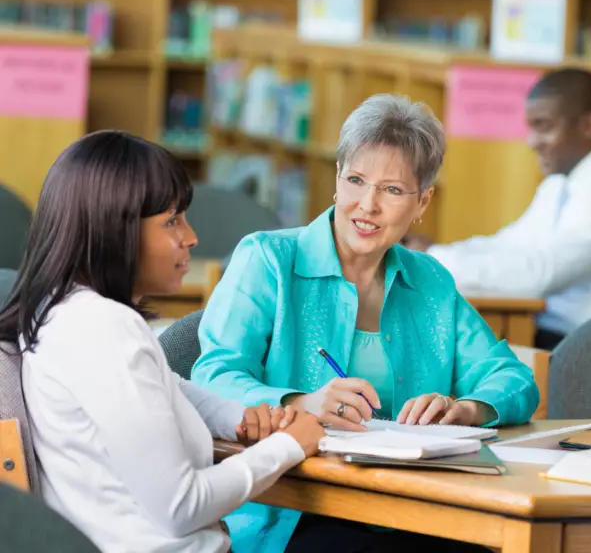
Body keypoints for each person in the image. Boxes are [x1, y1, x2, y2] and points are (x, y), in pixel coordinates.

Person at [191, 94, 539, 553]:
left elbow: (514, 380)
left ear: (423, 202)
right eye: (356, 180)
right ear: (336, 179)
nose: (367, 205)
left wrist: (466, 408)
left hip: (414, 506)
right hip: (294, 507)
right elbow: (212, 377)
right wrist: (301, 403)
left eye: (392, 190)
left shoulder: (429, 281)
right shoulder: (268, 259)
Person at [0, 130, 324, 553]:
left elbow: (170, 387)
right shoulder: (103, 329)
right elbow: (182, 506)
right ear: (113, 229)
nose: (191, 237)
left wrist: (241, 417)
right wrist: (289, 446)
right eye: (171, 220)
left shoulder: (65, 311)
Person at [405, 68, 591, 350]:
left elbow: (539, 274)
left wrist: (433, 260)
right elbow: (510, 244)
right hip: (564, 337)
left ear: (588, 126)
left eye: (543, 126)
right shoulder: (562, 181)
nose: (532, 141)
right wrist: (440, 253)